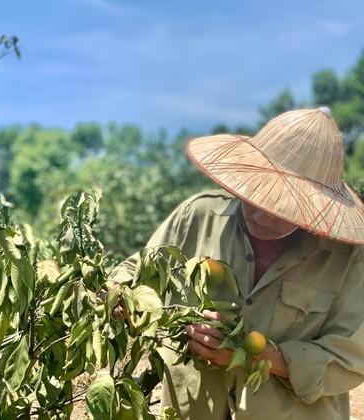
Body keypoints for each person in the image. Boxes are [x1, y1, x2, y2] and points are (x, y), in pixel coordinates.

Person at [108, 107, 364, 419]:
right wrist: (116, 294)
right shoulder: (199, 217)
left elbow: (350, 358)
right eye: (255, 196)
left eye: (280, 207)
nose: (259, 216)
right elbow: (140, 272)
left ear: (314, 206)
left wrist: (256, 356)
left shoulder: (346, 258)